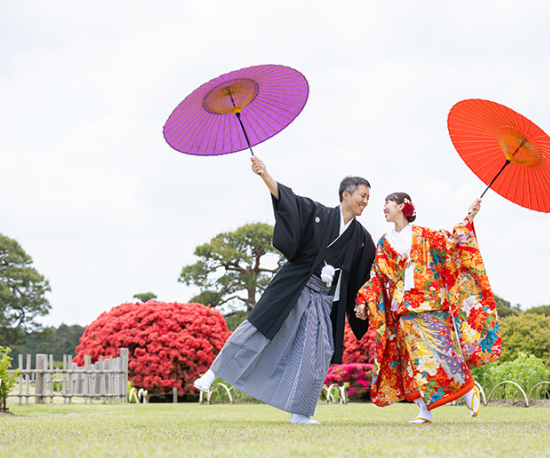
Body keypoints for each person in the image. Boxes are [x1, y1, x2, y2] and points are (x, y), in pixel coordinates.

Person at [194, 156, 376, 424]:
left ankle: (300, 412)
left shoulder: (362, 238)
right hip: (296, 287)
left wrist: (361, 302)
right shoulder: (318, 213)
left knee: (318, 354)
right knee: (258, 329)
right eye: (362, 195)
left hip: (324, 300)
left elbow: (364, 275)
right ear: (345, 195)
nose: (365, 201)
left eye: (368, 198)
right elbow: (289, 200)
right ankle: (213, 372)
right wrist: (265, 174)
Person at [354, 192, 501, 424]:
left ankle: (467, 387)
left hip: (432, 303)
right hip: (404, 309)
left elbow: (453, 242)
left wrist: (470, 216)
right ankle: (424, 411)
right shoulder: (383, 243)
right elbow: (377, 277)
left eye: (387, 203)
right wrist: (363, 300)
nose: (383, 207)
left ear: (403, 206)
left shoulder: (427, 235)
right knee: (414, 361)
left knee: (444, 352)